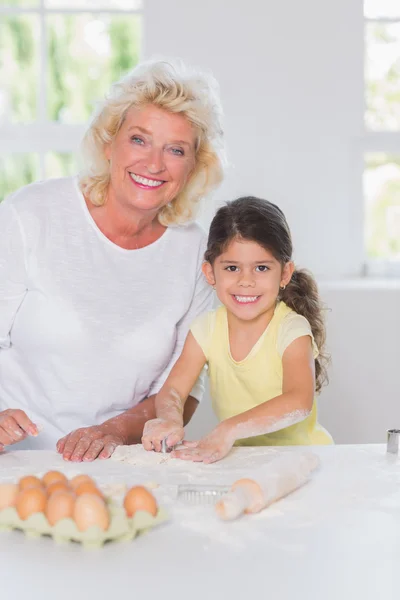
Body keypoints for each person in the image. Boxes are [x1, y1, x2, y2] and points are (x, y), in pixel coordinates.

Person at [0, 59, 225, 461]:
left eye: (175, 150)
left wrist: (113, 432)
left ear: (193, 168)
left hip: (121, 464)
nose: (154, 164)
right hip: (14, 459)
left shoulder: (195, 253)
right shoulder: (30, 214)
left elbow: (183, 389)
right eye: (139, 140)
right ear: (109, 143)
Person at [142, 196, 333, 463]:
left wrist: (228, 429)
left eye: (262, 268)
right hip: (246, 461)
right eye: (232, 268)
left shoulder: (292, 329)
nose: (246, 282)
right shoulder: (206, 329)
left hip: (304, 460)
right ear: (210, 273)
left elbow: (299, 401)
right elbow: (172, 390)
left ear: (285, 274)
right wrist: (169, 418)